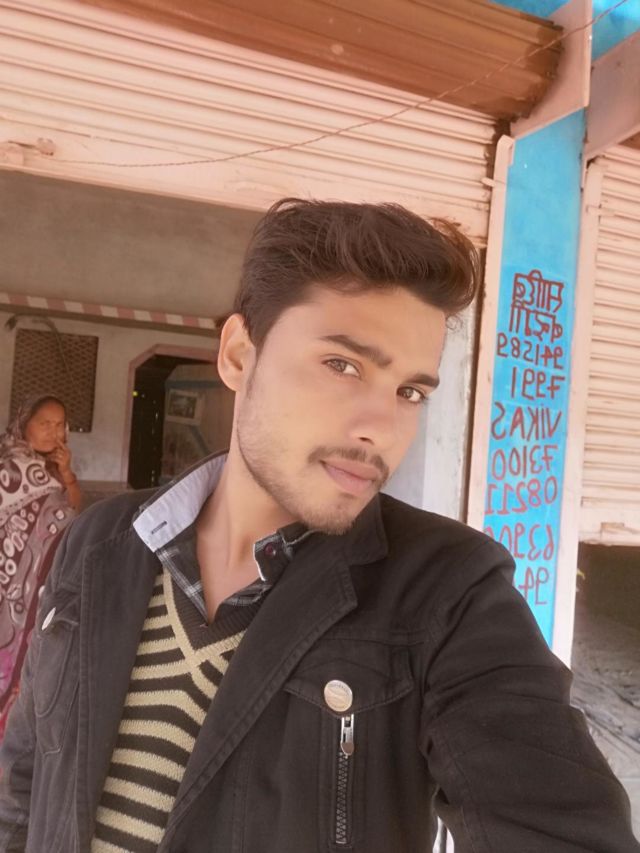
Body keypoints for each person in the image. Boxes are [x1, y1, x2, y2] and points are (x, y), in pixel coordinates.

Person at [0, 200, 637, 853]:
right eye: (343, 365)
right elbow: (24, 784)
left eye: (410, 392)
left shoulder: (448, 594)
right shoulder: (100, 541)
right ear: (239, 355)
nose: (381, 429)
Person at [0, 395, 80, 739]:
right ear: (24, 424)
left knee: (25, 653)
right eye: (45, 423)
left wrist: (67, 474)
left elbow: (72, 513)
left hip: (34, 586)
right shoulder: (8, 465)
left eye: (60, 424)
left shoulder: (52, 470)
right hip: (6, 577)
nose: (54, 431)